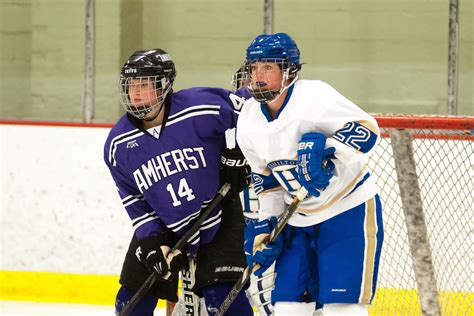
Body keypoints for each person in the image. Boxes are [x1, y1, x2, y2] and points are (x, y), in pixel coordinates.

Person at [235, 33, 384, 315]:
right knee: (289, 308)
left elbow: (368, 130)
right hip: (298, 220)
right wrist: (267, 226)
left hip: (346, 211)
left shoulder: (314, 97)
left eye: (267, 67)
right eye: (254, 68)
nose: (258, 76)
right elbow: (267, 184)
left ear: (289, 70)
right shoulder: (248, 119)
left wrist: (329, 151)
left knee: (343, 309)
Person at [104, 48, 253, 316]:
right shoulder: (117, 146)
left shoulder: (201, 106)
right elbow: (134, 200)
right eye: (130, 85)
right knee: (130, 303)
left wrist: (238, 152)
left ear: (165, 85)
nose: (134, 93)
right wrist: (151, 243)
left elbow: (252, 110)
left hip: (219, 210)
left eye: (143, 85)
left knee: (224, 301)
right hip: (165, 222)